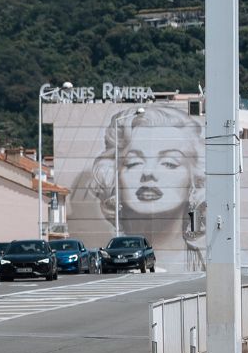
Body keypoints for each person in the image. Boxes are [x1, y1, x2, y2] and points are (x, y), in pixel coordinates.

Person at [82, 104, 206, 270]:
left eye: (169, 163)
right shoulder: (106, 258)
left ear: (194, 181)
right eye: (134, 163)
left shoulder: (211, 259)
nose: (148, 173)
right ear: (115, 177)